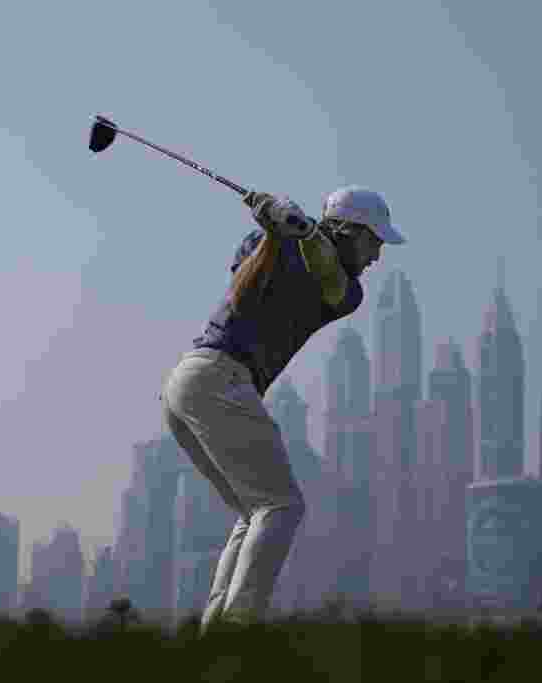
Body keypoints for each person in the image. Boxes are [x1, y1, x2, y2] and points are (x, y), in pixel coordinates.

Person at [161, 186, 406, 635]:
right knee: (281, 507)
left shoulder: (350, 291)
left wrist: (302, 234)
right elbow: (241, 294)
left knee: (255, 511)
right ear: (350, 232)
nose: (377, 257)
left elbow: (330, 279)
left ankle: (214, 631)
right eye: (374, 242)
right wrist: (275, 235)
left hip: (199, 387)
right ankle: (238, 630)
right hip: (212, 376)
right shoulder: (266, 245)